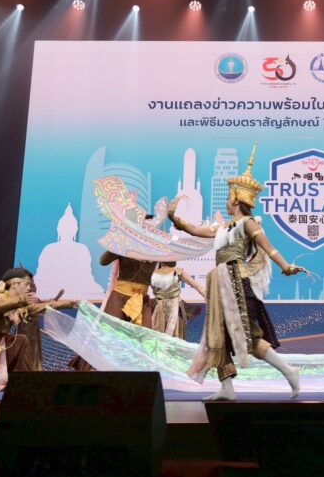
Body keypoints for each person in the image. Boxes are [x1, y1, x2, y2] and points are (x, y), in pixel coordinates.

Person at [169, 143, 307, 401]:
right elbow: (197, 231)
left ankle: (289, 371)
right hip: (219, 282)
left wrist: (286, 267)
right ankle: (227, 388)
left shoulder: (248, 223)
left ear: (235, 198)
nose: (227, 198)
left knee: (247, 336)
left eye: (229, 194)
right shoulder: (222, 227)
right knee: (216, 336)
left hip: (236, 281)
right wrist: (175, 219)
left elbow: (270, 248)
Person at [69, 251, 156, 371]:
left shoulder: (155, 247)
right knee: (107, 334)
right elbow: (103, 261)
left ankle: (139, 373)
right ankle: (91, 369)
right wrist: (117, 245)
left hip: (141, 299)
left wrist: (163, 247)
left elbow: (171, 263)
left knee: (146, 339)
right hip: (120, 297)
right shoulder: (124, 244)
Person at [150, 261, 204, 339]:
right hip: (159, 309)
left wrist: (210, 297)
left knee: (175, 337)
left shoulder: (178, 271)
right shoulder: (153, 273)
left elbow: (198, 287)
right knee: (158, 338)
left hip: (175, 309)